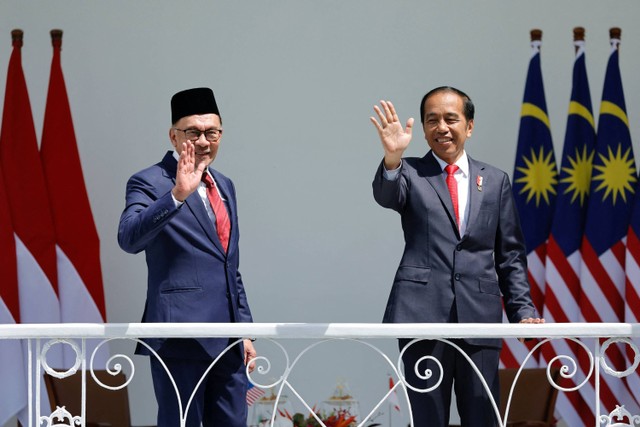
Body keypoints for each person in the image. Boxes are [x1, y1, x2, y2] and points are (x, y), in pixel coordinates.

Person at [369, 86, 544, 427]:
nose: (441, 127)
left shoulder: (494, 181)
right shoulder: (410, 172)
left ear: (470, 126)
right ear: (422, 128)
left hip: (479, 316)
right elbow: (387, 195)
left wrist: (522, 312)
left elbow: (509, 254)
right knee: (428, 417)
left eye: (451, 119)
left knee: (482, 416)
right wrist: (392, 158)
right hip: (422, 316)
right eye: (432, 120)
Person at [118, 87, 256, 427]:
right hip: (180, 338)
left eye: (212, 132)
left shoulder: (225, 185)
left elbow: (229, 266)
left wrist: (247, 330)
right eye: (193, 132)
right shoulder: (149, 181)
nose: (204, 141)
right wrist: (177, 195)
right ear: (173, 135)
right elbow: (129, 238)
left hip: (228, 341)